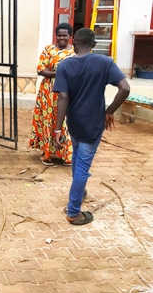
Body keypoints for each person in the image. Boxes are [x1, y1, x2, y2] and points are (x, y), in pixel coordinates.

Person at [54, 28, 130, 225]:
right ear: (93, 44)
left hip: (74, 123)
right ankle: (73, 211)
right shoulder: (104, 62)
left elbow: (63, 97)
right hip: (93, 124)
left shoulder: (64, 66)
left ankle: (79, 191)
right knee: (82, 164)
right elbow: (125, 88)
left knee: (77, 156)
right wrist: (110, 111)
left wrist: (57, 128)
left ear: (74, 43)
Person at [29, 22, 75, 166]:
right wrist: (60, 73)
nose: (61, 38)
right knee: (48, 120)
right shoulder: (48, 50)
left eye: (65, 35)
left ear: (70, 36)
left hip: (68, 91)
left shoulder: (74, 52)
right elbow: (41, 70)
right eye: (59, 35)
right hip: (49, 92)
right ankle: (47, 153)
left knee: (66, 122)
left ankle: (66, 154)